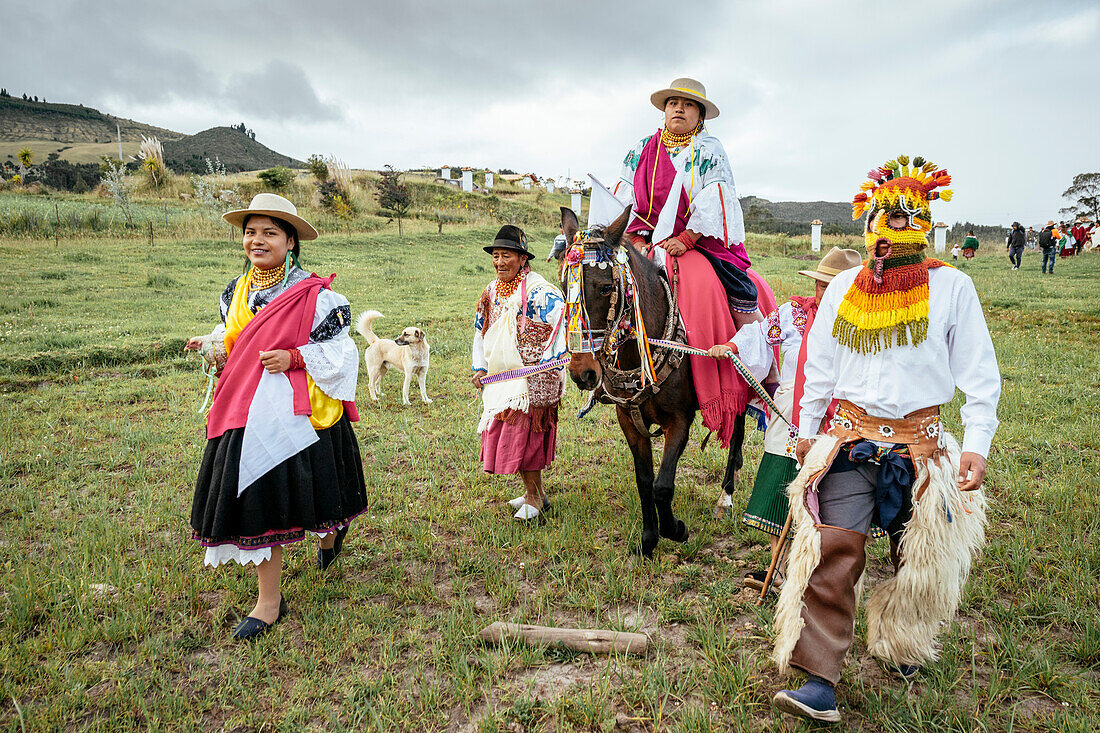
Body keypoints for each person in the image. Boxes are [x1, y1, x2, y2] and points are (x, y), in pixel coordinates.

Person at [770, 156, 1000, 724]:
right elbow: (818, 366)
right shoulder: (845, 287)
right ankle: (820, 676)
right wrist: (805, 431)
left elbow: (979, 371)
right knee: (833, 550)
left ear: (924, 219)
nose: (892, 227)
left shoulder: (954, 288)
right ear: (867, 222)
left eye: (905, 216)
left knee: (914, 559)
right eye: (882, 216)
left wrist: (977, 443)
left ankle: (902, 643)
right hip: (848, 443)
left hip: (921, 450)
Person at [186, 193, 367, 641]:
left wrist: (293, 357)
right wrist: (209, 346)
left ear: (291, 241)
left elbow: (340, 352)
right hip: (248, 410)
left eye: (270, 232)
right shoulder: (234, 291)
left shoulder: (319, 295)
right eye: (251, 232)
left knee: (322, 496)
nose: (258, 240)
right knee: (261, 495)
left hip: (299, 408)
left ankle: (329, 537)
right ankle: (270, 601)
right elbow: (234, 341)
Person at [609, 77, 773, 448]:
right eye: (672, 103)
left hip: (695, 242)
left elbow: (716, 195)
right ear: (664, 110)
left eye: (688, 104)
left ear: (700, 115)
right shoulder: (640, 149)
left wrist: (688, 237)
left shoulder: (709, 149)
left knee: (725, 284)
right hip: (644, 240)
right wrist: (632, 236)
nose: (678, 109)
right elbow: (622, 192)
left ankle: (753, 352)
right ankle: (609, 371)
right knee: (606, 288)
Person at [708, 247, 862, 594]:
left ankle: (813, 573)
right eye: (821, 285)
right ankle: (777, 569)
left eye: (833, 285)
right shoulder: (793, 315)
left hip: (839, 423)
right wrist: (733, 346)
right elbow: (760, 336)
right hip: (788, 418)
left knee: (825, 496)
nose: (824, 293)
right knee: (781, 491)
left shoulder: (862, 326)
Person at [471, 225, 567, 521]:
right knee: (511, 435)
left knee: (525, 439)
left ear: (523, 259)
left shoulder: (542, 292)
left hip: (532, 381)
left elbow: (562, 323)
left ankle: (536, 498)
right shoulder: (490, 291)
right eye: (496, 256)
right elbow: (480, 330)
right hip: (503, 379)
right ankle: (533, 493)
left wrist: (550, 361)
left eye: (507, 256)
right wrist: (480, 366)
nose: (500, 262)